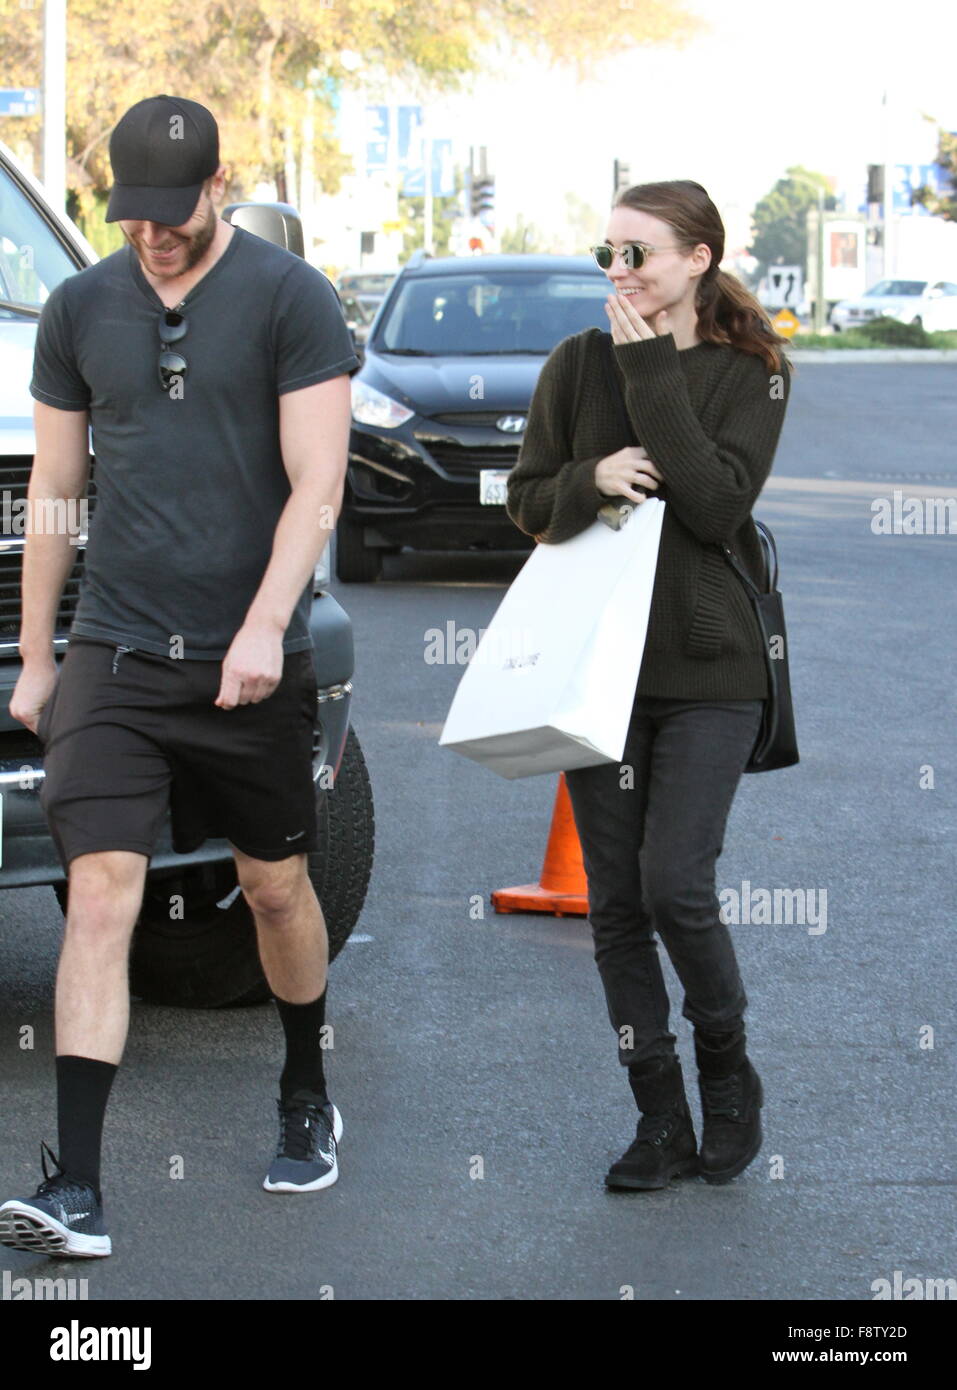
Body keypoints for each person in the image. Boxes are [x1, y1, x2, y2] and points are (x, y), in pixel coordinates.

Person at [0, 95, 358, 1259]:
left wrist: (266, 625)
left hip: (246, 655)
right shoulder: (78, 306)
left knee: (272, 888)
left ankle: (305, 1081)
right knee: (99, 891)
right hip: (117, 646)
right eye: (134, 217)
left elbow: (317, 484)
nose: (154, 237)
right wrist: (43, 651)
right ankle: (78, 1191)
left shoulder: (290, 299)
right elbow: (58, 490)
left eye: (175, 215)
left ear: (220, 187)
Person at [505, 180, 793, 1191]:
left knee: (676, 882)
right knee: (618, 905)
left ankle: (728, 1070)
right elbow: (526, 497)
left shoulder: (753, 372)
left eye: (641, 255)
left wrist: (648, 373)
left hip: (710, 671)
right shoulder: (574, 363)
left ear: (699, 258)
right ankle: (658, 1112)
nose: (619, 273)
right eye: (609, 254)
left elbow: (715, 505)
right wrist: (588, 479)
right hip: (599, 671)